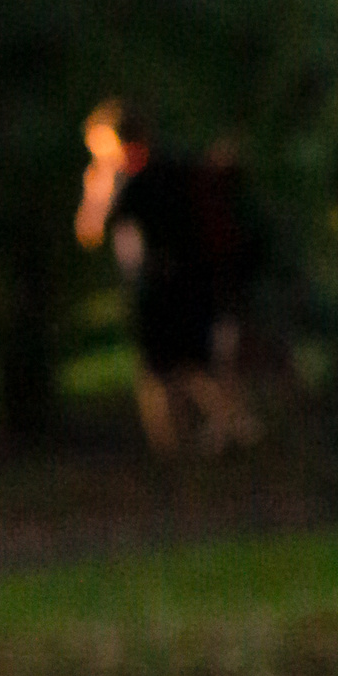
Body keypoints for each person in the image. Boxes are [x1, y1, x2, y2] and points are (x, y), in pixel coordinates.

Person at [76, 101, 262, 456]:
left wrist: (99, 188)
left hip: (159, 285)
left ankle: (173, 454)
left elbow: (90, 231)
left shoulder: (129, 181)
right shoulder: (178, 164)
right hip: (200, 279)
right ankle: (234, 430)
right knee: (194, 364)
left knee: (159, 372)